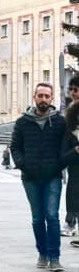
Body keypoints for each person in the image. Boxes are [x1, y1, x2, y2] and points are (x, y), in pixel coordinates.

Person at [10, 82, 66, 272]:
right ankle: (42, 253)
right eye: (40, 96)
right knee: (37, 218)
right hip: (30, 177)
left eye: (47, 96)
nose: (43, 99)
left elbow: (65, 148)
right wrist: (22, 164)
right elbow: (15, 147)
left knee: (52, 216)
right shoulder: (22, 122)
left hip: (52, 176)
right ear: (34, 97)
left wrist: (59, 165)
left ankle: (55, 257)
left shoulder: (59, 122)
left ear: (52, 99)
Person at [61, 75, 79, 236]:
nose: (73, 93)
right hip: (75, 156)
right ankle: (70, 222)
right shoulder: (71, 109)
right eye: (71, 89)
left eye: (76, 89)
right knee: (73, 189)